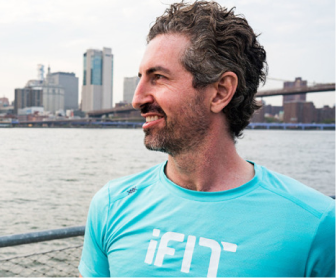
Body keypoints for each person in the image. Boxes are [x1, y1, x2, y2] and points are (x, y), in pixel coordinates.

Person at [78, 1, 336, 277]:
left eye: (158, 77)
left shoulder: (316, 225)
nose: (136, 99)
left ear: (220, 92)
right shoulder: (111, 204)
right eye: (141, 77)